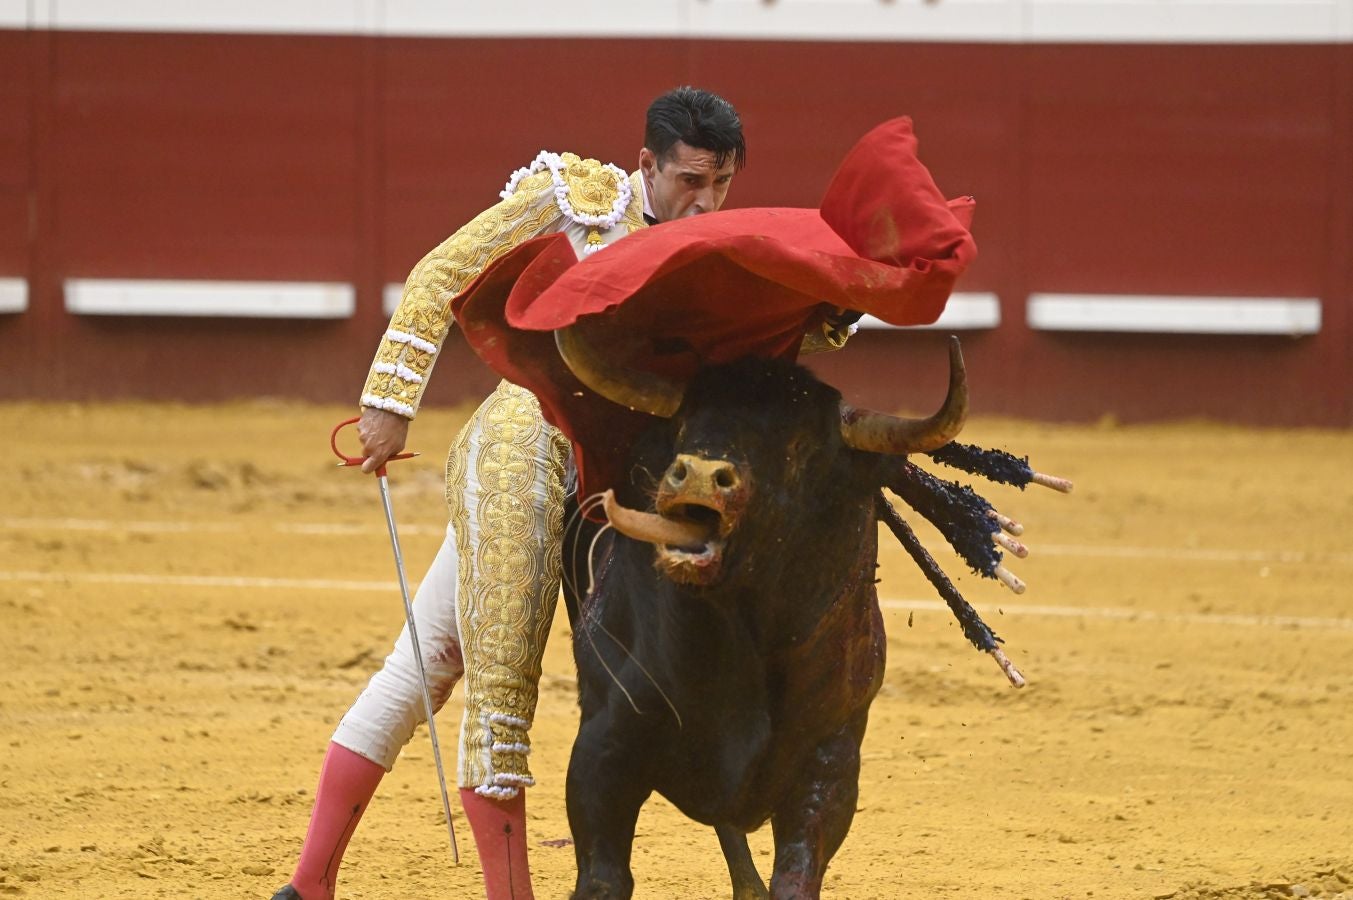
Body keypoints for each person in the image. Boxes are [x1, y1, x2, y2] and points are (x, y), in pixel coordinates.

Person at [272, 87, 770, 900]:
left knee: (430, 661)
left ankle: (306, 888)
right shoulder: (580, 200)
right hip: (525, 450)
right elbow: (442, 272)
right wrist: (386, 405)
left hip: (617, 474)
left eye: (720, 184)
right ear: (646, 165)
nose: (705, 201)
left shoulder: (713, 248)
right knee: (502, 690)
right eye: (689, 181)